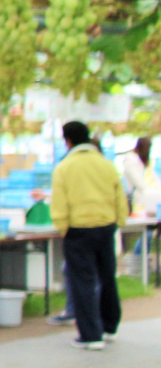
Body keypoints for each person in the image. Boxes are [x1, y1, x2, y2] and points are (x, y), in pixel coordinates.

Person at [52, 120, 128, 350]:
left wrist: (63, 228)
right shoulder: (106, 165)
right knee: (107, 276)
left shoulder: (64, 168)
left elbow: (59, 204)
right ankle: (109, 326)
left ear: (68, 141)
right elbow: (120, 197)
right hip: (106, 226)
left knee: (83, 281)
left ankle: (90, 336)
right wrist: (118, 222)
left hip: (78, 230)